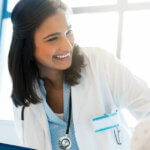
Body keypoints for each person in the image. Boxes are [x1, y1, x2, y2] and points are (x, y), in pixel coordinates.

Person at [8, 0, 150, 150]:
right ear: (27, 46)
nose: (67, 46)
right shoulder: (24, 96)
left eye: (68, 32)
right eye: (53, 38)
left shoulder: (100, 63)